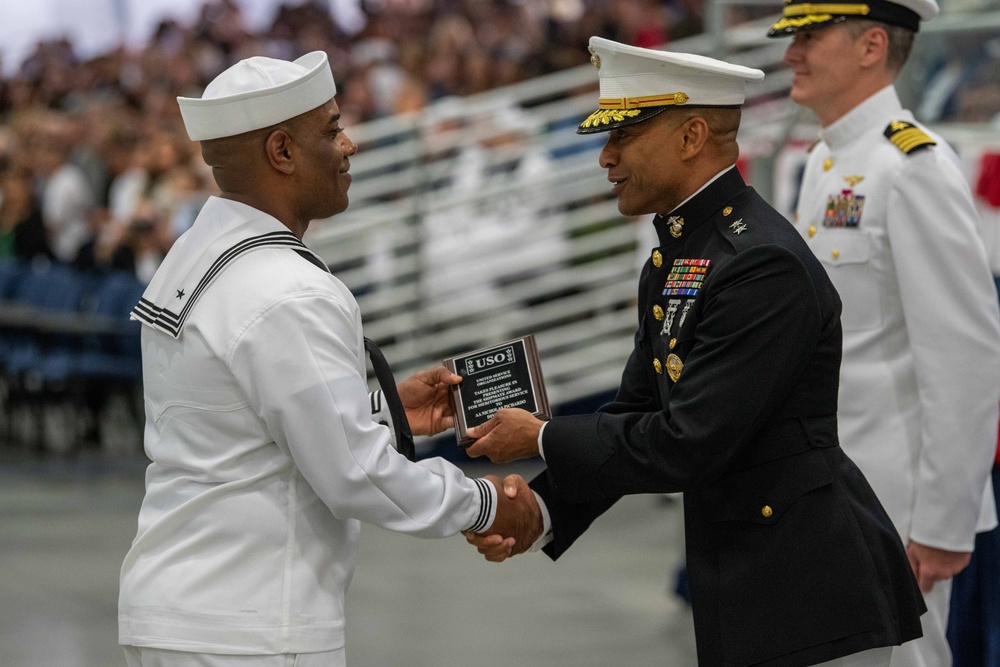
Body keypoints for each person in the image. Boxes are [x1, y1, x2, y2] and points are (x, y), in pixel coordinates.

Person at [463, 36, 927, 667]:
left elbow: (689, 441)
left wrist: (541, 438)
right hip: (752, 582)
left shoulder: (758, 263)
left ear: (691, 137)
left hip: (813, 595)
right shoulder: (682, 252)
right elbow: (635, 410)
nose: (605, 157)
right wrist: (541, 510)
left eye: (622, 137)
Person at [117, 51, 536, 667]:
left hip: (180, 606)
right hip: (251, 623)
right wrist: (484, 504)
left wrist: (382, 411)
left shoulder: (198, 254)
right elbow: (353, 473)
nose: (350, 145)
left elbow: (239, 421)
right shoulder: (289, 287)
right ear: (282, 152)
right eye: (332, 129)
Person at [766, 1, 1000, 664]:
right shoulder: (823, 161)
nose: (791, 54)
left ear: (871, 45)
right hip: (829, 484)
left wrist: (945, 524)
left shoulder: (912, 167)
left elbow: (965, 359)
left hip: (896, 499)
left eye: (809, 37)